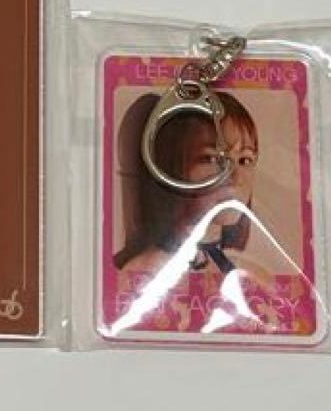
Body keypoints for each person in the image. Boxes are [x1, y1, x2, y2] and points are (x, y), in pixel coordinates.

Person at [112, 93, 310, 335]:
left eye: (245, 160)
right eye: (212, 159)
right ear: (168, 168)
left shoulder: (250, 273)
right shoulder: (143, 272)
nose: (234, 178)